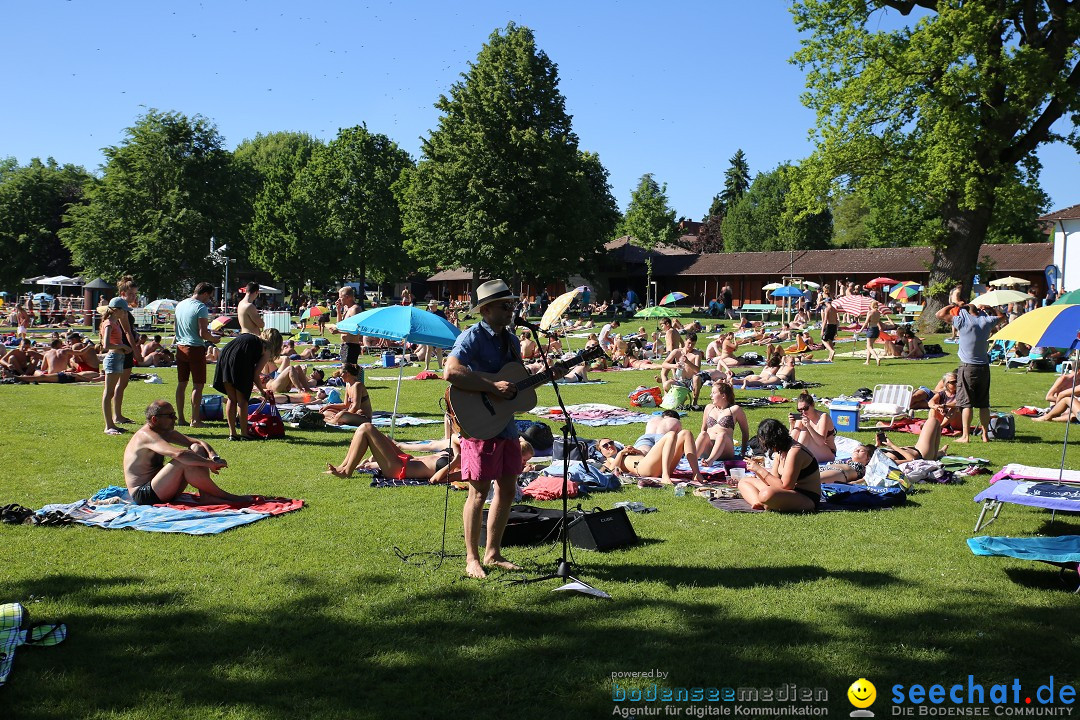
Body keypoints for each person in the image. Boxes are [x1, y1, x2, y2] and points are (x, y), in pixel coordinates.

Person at [444, 279, 562, 579]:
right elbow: (451, 371)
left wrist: (548, 375)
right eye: (504, 305)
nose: (511, 309)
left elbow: (514, 384)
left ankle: (493, 553)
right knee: (478, 492)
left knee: (508, 489)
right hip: (478, 423)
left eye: (512, 304)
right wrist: (490, 385)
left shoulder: (510, 340)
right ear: (485, 309)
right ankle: (472, 559)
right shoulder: (472, 337)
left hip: (504, 424)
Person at [123, 400, 251, 505]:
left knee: (196, 449)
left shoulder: (164, 431)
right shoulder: (146, 436)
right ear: (155, 420)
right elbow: (179, 454)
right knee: (183, 460)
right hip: (144, 495)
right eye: (170, 416)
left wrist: (214, 456)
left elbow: (199, 443)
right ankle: (225, 496)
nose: (175, 418)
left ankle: (207, 496)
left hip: (162, 488)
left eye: (174, 414)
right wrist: (208, 464)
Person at [936, 300, 1003, 443]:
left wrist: (955, 305)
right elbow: (1003, 317)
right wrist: (990, 307)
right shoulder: (986, 321)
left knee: (966, 403)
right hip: (984, 367)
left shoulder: (962, 320)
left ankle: (965, 436)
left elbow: (939, 314)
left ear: (965, 310)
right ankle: (985, 435)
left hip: (968, 367)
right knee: (984, 403)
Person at [326, 426, 477, 486]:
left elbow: (435, 480)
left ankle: (346, 472)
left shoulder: (468, 468)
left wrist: (455, 461)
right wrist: (460, 448)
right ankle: (344, 466)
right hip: (406, 459)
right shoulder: (463, 450)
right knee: (378, 434)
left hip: (399, 470)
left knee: (366, 429)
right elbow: (454, 439)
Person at [212, 328, 284, 441]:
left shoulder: (251, 338)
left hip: (224, 359)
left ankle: (232, 433)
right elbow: (255, 374)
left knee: (231, 398)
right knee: (242, 400)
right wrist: (262, 391)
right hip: (239, 362)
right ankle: (244, 433)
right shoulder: (266, 348)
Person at [739, 418, 821, 512]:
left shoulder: (795, 451)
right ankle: (758, 503)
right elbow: (772, 481)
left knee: (767, 494)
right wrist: (756, 471)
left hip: (806, 497)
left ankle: (767, 503)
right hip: (786, 493)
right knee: (744, 482)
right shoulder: (780, 451)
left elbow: (786, 486)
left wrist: (760, 470)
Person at [174, 282, 219, 428]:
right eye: (210, 296)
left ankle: (180, 418)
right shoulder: (200, 307)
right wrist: (214, 339)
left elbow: (176, 328)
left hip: (180, 348)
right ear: (205, 293)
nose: (209, 299)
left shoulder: (180, 305)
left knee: (182, 384)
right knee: (198, 385)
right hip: (194, 349)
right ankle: (195, 420)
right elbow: (203, 333)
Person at [597, 430, 704, 485]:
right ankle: (665, 476)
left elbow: (646, 458)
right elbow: (611, 472)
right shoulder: (607, 461)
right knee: (671, 434)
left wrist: (636, 451)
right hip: (642, 469)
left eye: (610, 443)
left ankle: (696, 473)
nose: (609, 446)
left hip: (651, 465)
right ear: (601, 451)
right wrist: (621, 454)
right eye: (605, 446)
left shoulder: (624, 451)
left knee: (686, 433)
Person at [100, 301, 133, 435]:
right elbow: (106, 345)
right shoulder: (109, 323)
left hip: (118, 358)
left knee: (111, 392)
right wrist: (123, 346)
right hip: (113, 358)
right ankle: (108, 426)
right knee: (108, 393)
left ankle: (112, 423)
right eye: (124, 311)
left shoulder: (114, 323)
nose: (125, 313)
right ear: (116, 310)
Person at [696, 382, 750, 463]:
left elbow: (745, 432)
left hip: (725, 450)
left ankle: (709, 461)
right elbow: (703, 428)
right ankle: (691, 459)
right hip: (709, 448)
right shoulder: (709, 408)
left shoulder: (735, 410)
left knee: (722, 435)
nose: (711, 395)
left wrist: (743, 451)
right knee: (703, 434)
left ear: (723, 395)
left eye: (713, 393)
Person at [876, 406, 952, 461]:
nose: (864, 449)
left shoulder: (873, 455)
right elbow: (912, 459)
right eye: (863, 450)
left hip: (915, 449)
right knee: (933, 421)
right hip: (921, 454)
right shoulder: (886, 462)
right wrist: (892, 445)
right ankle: (934, 457)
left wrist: (877, 446)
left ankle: (939, 453)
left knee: (935, 423)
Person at [788, 393, 837, 462]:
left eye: (805, 408)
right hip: (811, 451)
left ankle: (795, 459)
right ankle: (792, 457)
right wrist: (792, 425)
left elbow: (820, 442)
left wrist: (808, 426)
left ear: (813, 405)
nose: (803, 412)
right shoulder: (802, 417)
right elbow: (792, 438)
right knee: (796, 431)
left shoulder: (823, 417)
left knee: (805, 432)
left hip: (828, 453)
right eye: (800, 410)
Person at [331, 286, 363, 364]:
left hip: (351, 345)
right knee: (344, 371)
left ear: (347, 297)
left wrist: (338, 331)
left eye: (340, 298)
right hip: (345, 345)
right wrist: (338, 311)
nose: (338, 300)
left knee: (348, 373)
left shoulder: (355, 309)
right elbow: (340, 325)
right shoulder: (346, 309)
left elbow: (355, 330)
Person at [860, 300, 884, 366]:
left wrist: (860, 330)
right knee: (870, 346)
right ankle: (867, 361)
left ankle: (877, 358)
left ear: (872, 305)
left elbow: (866, 322)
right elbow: (877, 321)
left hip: (871, 329)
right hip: (876, 329)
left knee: (868, 346)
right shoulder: (878, 312)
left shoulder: (870, 312)